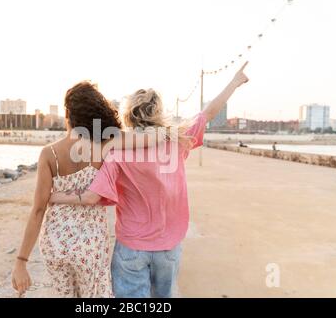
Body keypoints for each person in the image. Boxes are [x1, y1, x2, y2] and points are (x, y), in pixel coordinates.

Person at [50, 62, 250, 297]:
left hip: (132, 247)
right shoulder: (176, 140)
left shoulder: (118, 152)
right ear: (157, 111)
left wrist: (54, 196)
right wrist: (234, 82)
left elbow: (93, 196)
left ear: (129, 114)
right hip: (168, 247)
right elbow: (208, 113)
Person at [11, 81, 162, 297]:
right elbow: (149, 139)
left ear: (68, 115)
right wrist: (171, 134)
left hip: (55, 243)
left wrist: (21, 261)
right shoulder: (104, 144)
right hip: (90, 245)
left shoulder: (49, 154)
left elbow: (38, 210)